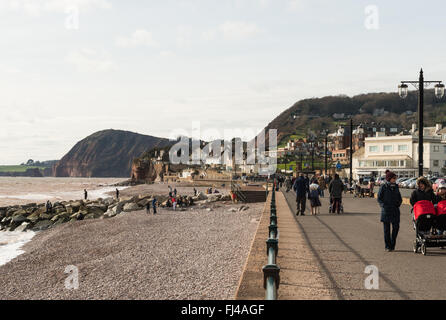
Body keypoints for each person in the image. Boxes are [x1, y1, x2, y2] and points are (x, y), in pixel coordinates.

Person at [377, 171, 402, 252]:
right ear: (389, 179)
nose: (395, 180)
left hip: (395, 210)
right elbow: (379, 198)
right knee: (386, 230)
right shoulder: (383, 187)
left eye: (395, 178)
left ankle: (392, 244)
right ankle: (388, 246)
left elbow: (399, 197)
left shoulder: (396, 187)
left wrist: (398, 203)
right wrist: (383, 205)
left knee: (396, 228)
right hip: (386, 211)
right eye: (393, 178)